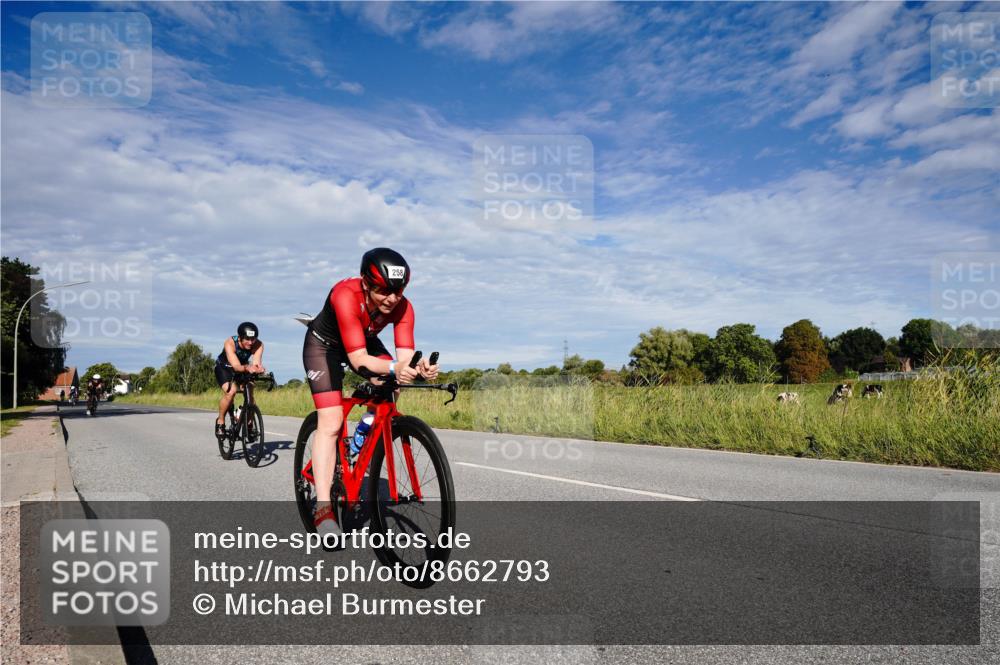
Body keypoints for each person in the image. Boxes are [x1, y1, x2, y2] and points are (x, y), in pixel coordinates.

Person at [303, 248, 438, 536]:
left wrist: (418, 367)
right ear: (366, 283)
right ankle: (323, 509)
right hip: (324, 347)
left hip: (362, 340)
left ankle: (363, 432)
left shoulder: (403, 307)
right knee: (331, 422)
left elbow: (405, 358)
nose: (392, 298)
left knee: (394, 384)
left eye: (398, 291)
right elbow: (358, 360)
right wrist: (394, 367)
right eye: (384, 291)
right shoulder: (345, 294)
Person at [215, 322, 265, 438]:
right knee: (231, 391)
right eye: (247, 339)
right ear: (240, 338)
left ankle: (247, 421)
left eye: (253, 339)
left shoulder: (258, 345)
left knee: (250, 390)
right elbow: (236, 366)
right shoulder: (230, 343)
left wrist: (259, 369)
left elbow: (256, 363)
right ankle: (220, 421)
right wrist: (248, 368)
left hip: (243, 367)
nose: (250, 342)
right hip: (225, 367)